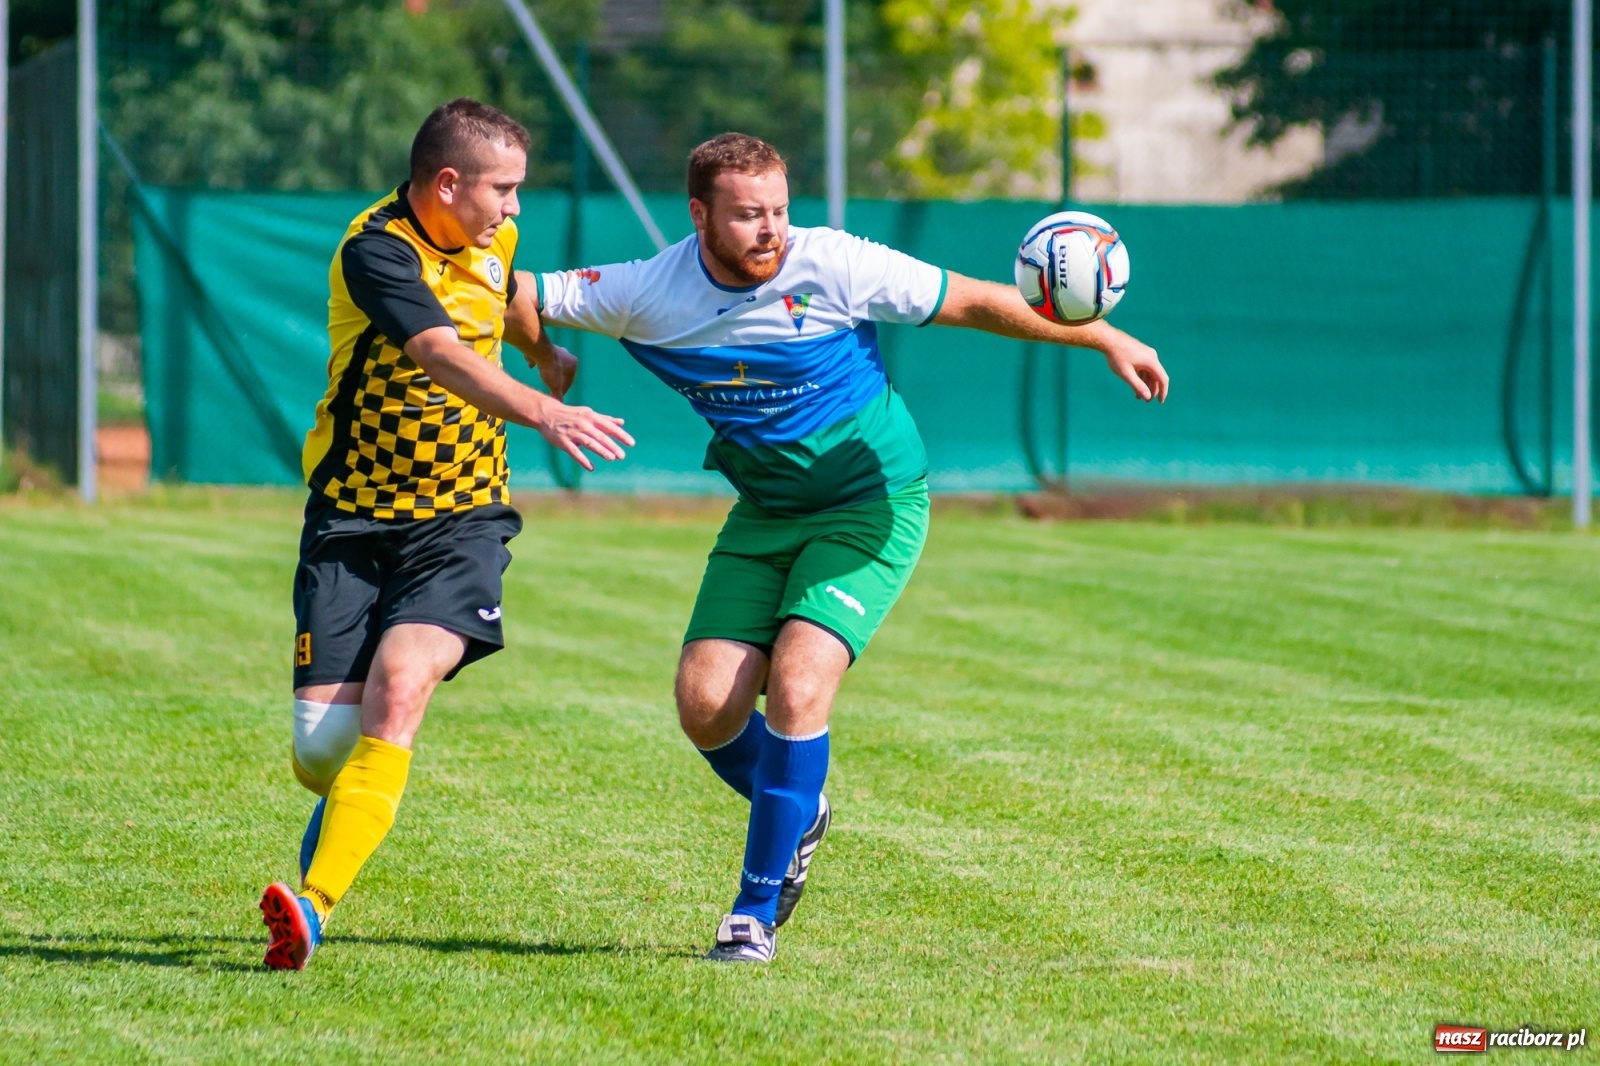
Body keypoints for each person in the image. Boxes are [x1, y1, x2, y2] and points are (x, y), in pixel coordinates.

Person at [533, 133, 1168, 962]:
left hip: (871, 503)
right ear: (698, 216)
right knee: (704, 704)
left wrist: (1104, 338)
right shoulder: (646, 292)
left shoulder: (831, 264)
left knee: (798, 684)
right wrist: (539, 351)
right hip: (765, 510)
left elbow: (974, 300)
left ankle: (752, 915)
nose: (771, 230)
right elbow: (517, 290)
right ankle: (802, 805)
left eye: (779, 210)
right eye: (748, 215)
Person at [258, 98, 633, 971]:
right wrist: (547, 409)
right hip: (352, 516)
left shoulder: (488, 234)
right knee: (321, 753)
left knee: (404, 684)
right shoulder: (374, 251)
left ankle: (311, 909)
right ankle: (347, 804)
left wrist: (543, 353)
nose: (515, 209)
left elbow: (500, 301)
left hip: (462, 516)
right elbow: (438, 351)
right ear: (448, 183)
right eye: (503, 190)